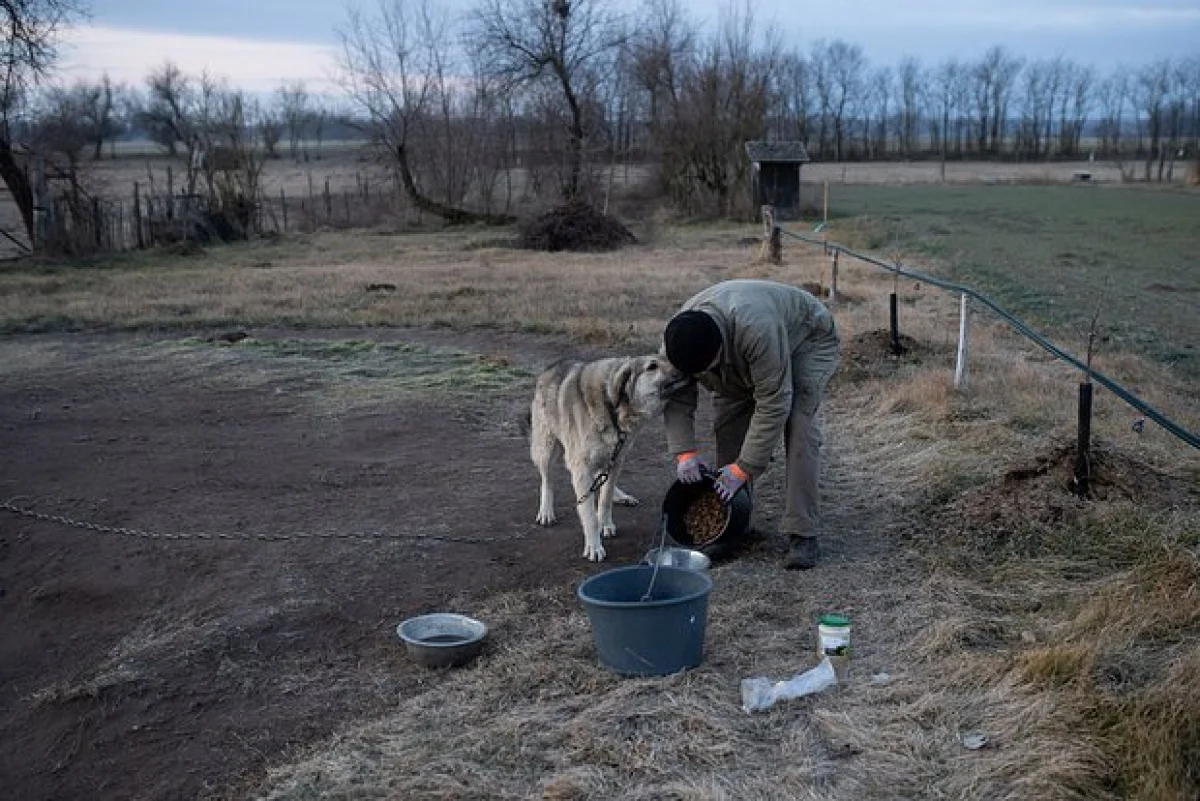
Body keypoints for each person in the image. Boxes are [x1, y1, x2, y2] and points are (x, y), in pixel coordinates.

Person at [661, 279, 841, 570]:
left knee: (798, 425)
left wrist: (744, 468)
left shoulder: (756, 329)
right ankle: (734, 525)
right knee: (729, 421)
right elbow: (676, 398)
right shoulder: (677, 340)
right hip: (746, 352)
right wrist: (684, 454)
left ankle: (802, 532)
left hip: (806, 339)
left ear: (720, 351)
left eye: (707, 371)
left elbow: (774, 401)